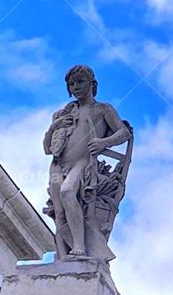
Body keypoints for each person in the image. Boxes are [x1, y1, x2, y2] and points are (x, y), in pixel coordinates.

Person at [43, 64, 131, 261]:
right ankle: (64, 257)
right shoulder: (63, 114)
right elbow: (47, 149)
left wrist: (104, 142)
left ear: (92, 83)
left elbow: (123, 133)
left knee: (67, 191)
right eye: (71, 84)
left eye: (80, 82)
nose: (76, 87)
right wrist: (54, 128)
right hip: (58, 166)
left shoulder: (102, 109)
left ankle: (80, 247)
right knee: (59, 212)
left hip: (83, 163)